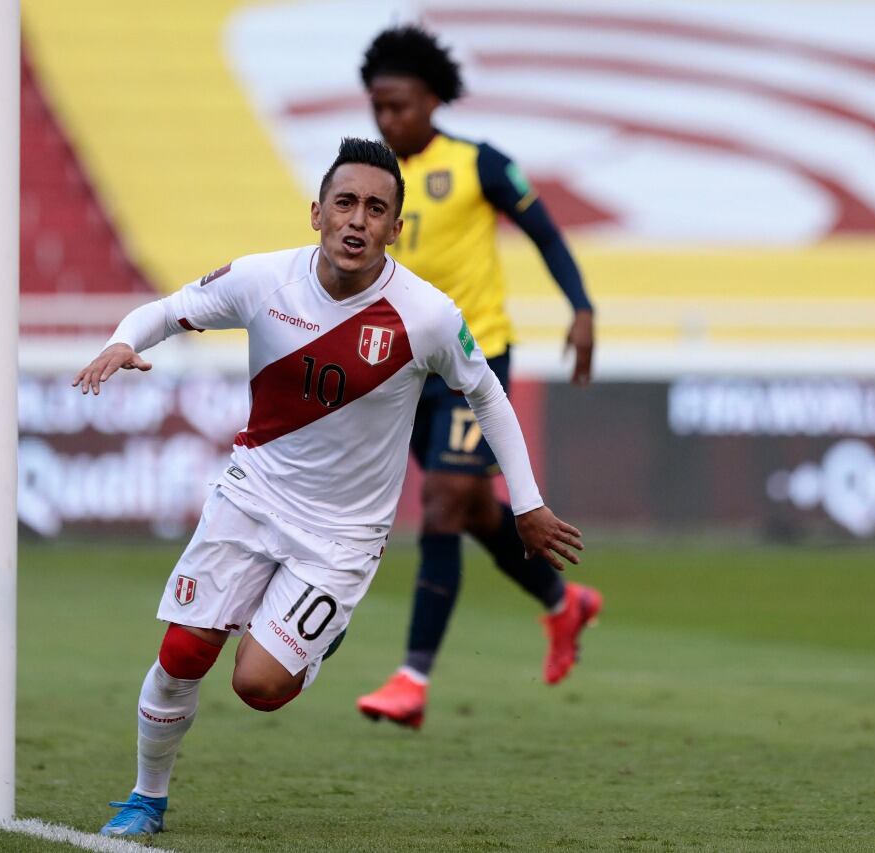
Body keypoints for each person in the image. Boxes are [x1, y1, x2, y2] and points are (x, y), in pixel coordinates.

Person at [75, 138, 583, 838]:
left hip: (342, 535)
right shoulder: (263, 281)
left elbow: (488, 396)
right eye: (345, 202)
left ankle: (316, 641)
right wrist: (120, 340)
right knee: (185, 651)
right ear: (316, 211)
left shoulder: (427, 314)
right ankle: (146, 797)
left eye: (377, 209)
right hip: (251, 496)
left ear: (396, 229)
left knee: (257, 687)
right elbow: (168, 311)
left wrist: (527, 504)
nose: (358, 220)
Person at [354, 26, 602, 729]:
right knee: (468, 508)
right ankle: (564, 601)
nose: (386, 120)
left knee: (443, 501)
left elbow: (547, 233)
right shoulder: (371, 183)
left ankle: (412, 677)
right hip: (400, 371)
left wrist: (581, 307)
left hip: (475, 359)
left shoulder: (481, 164)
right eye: (377, 107)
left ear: (432, 100)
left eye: (398, 106)